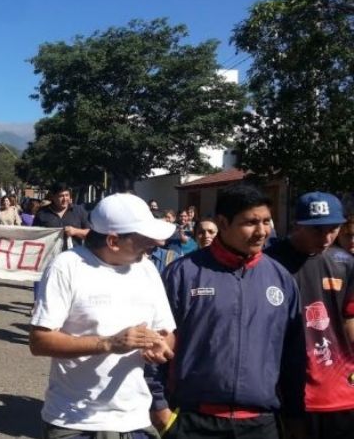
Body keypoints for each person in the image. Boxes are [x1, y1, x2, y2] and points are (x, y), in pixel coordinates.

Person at [149, 184, 304, 439]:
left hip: (261, 424)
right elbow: (154, 346)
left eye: (267, 221)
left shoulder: (281, 279)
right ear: (223, 222)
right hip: (193, 422)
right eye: (251, 222)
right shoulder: (183, 274)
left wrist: (295, 417)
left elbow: (294, 356)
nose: (262, 231)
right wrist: (159, 409)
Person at [30, 193, 176, 438]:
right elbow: (39, 341)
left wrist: (160, 346)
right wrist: (108, 343)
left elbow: (166, 332)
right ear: (113, 241)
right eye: (144, 238)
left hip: (134, 421)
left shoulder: (147, 269)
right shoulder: (68, 266)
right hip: (75, 422)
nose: (155, 243)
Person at [264, 192, 354, 439]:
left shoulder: (346, 262)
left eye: (333, 229)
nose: (326, 238)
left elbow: (350, 318)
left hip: (342, 392)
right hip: (289, 392)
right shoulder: (269, 263)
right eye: (316, 230)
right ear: (296, 225)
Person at [32, 182, 91, 301]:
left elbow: (92, 234)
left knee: (72, 294)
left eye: (67, 195)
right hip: (49, 262)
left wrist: (75, 231)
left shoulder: (79, 211)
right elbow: (34, 236)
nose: (65, 199)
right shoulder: (42, 213)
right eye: (61, 196)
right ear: (53, 197)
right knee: (51, 294)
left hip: (74, 262)